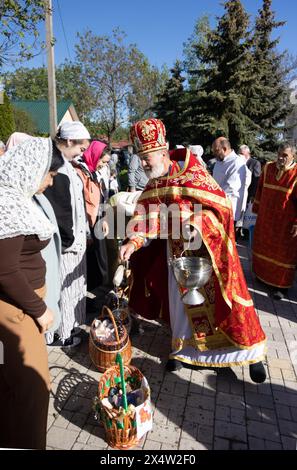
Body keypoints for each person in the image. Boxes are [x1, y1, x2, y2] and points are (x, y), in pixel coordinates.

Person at [120, 118, 267, 383]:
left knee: (218, 305)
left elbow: (220, 208)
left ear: (163, 152)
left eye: (147, 158)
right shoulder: (154, 184)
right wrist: (133, 242)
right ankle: (183, 352)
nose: (143, 164)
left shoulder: (193, 174)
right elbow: (146, 218)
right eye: (140, 158)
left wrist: (195, 223)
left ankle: (242, 354)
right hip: (174, 257)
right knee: (181, 308)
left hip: (206, 254)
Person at [0, 137, 64, 449]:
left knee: (15, 384)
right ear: (34, 169)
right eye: (49, 175)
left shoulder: (16, 197)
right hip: (15, 309)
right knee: (34, 387)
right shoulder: (6, 203)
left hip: (20, 305)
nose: (50, 182)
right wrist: (40, 310)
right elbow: (5, 270)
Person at [44, 121, 91, 346]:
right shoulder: (58, 167)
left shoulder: (67, 164)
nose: (81, 153)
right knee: (63, 290)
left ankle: (70, 327)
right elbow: (61, 209)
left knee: (73, 289)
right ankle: (61, 334)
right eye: (80, 148)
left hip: (74, 241)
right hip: (66, 244)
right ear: (69, 141)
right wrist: (68, 240)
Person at [252, 143, 297, 300]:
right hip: (266, 218)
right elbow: (260, 189)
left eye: (285, 155)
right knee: (263, 246)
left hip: (285, 223)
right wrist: (256, 208)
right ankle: (261, 276)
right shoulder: (268, 167)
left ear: (293, 156)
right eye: (279, 153)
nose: (280, 157)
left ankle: (280, 286)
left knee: (283, 254)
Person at [73, 140, 110, 291]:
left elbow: (100, 196)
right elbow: (80, 204)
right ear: (94, 155)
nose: (103, 165)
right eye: (102, 160)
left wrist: (105, 218)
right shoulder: (79, 172)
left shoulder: (92, 172)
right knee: (88, 264)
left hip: (97, 222)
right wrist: (87, 233)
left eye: (106, 162)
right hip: (85, 227)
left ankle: (97, 291)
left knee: (99, 261)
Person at [212, 137, 250, 223]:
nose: (214, 153)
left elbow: (230, 189)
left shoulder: (237, 162)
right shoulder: (218, 161)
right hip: (217, 205)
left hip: (229, 208)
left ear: (224, 149)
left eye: (216, 150)